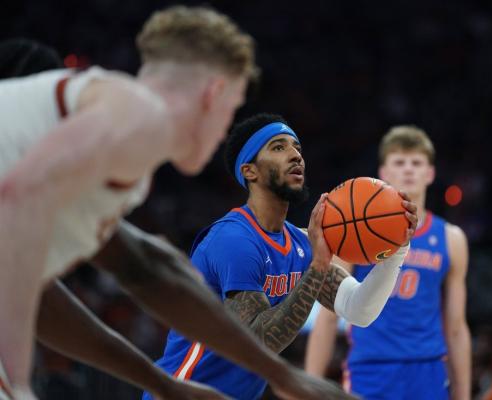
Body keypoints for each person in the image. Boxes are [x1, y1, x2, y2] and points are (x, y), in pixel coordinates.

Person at [0, 11, 353, 400]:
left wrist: (169, 386)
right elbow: (17, 197)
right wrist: (18, 382)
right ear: (214, 93)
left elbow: (145, 272)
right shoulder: (138, 113)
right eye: (231, 111)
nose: (223, 132)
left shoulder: (117, 156)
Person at [145, 113, 418, 400]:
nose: (295, 155)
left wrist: (397, 248)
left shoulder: (300, 243)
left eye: (297, 148)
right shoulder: (233, 240)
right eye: (278, 147)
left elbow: (358, 310)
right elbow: (258, 342)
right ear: (250, 171)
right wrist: (319, 265)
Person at [305, 125, 471, 400]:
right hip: (370, 368)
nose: (408, 169)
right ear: (383, 173)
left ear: (430, 173)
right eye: (399, 162)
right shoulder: (353, 231)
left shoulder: (451, 238)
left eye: (416, 162)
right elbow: (328, 315)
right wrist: (309, 385)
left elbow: (455, 327)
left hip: (428, 368)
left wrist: (463, 394)